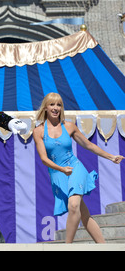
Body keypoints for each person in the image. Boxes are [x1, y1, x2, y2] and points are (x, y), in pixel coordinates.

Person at [33, 92, 124, 243]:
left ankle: (67, 246)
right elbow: (43, 159)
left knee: (74, 204)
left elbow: (89, 145)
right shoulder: (39, 131)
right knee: (83, 213)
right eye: (52, 104)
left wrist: (111, 157)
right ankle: (103, 245)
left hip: (75, 168)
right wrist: (62, 170)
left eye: (59, 105)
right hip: (58, 173)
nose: (56, 108)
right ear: (45, 108)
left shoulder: (69, 126)